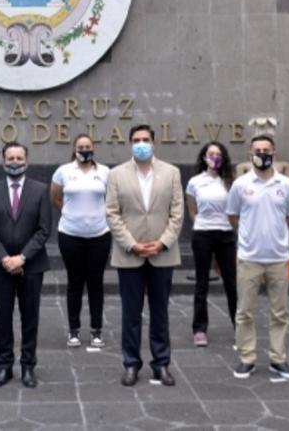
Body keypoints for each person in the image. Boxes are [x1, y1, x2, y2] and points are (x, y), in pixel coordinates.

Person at [106, 125, 184, 387]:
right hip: (130, 254)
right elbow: (112, 213)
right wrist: (132, 244)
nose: (141, 144)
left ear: (154, 142)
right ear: (130, 143)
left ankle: (161, 364)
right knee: (131, 313)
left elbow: (177, 213)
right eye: (137, 140)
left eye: (146, 140)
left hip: (162, 254)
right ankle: (131, 364)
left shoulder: (171, 173)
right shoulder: (116, 174)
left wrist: (162, 243)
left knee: (160, 312)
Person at [227, 134, 289, 380]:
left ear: (274, 152)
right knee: (244, 311)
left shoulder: (286, 185)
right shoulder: (240, 185)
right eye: (257, 150)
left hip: (278, 257)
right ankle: (247, 358)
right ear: (250, 154)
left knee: (280, 313)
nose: (261, 154)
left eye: (266, 150)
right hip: (249, 257)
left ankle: (278, 359)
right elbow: (233, 216)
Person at [0, 142, 51, 388]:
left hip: (31, 266)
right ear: (3, 161)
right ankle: (4, 366)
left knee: (30, 317)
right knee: (3, 318)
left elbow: (44, 230)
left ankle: (28, 367)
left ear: (27, 161)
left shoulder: (41, 190)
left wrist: (22, 258)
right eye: (10, 158)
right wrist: (4, 258)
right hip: (0, 267)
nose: (15, 162)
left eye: (19, 158)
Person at [51, 134, 112, 348]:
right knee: (75, 282)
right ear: (74, 149)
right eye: (80, 146)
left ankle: (96, 331)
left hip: (99, 236)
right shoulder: (64, 171)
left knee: (96, 283)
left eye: (88, 146)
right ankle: (74, 330)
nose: (84, 149)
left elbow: (112, 199)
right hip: (70, 235)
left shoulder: (105, 172)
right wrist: (72, 214)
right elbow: (55, 197)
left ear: (93, 148)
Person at [186, 141, 237, 347]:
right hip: (203, 235)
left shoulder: (230, 182)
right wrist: (198, 224)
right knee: (202, 283)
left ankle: (239, 326)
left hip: (225, 234)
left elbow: (235, 210)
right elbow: (192, 208)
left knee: (231, 283)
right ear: (204, 157)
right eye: (211, 154)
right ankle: (199, 329)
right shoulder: (195, 182)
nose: (214, 157)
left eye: (218, 154)